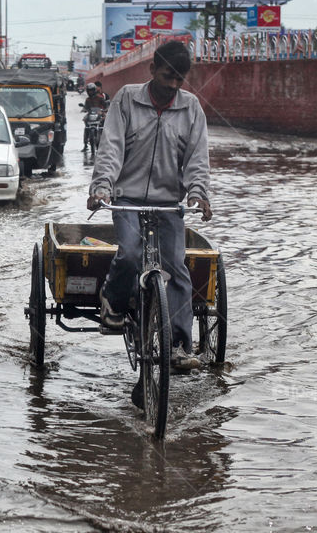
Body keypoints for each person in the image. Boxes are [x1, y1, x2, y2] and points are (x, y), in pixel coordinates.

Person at [87, 40, 212, 393]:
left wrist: (199, 194)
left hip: (169, 204)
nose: (173, 85)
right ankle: (112, 302)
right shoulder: (127, 98)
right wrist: (102, 188)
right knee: (128, 253)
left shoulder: (191, 109)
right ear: (152, 69)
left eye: (179, 79)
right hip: (126, 199)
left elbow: (197, 159)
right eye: (167, 75)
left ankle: (179, 345)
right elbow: (111, 146)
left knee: (176, 267)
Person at [81, 83, 108, 151]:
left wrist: (104, 110)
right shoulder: (87, 100)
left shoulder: (100, 98)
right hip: (90, 114)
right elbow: (86, 107)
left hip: (99, 114)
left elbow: (105, 105)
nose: (90, 92)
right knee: (85, 122)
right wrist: (84, 109)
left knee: (105, 122)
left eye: (91, 90)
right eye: (89, 91)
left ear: (94, 90)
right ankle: (85, 144)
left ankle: (106, 141)